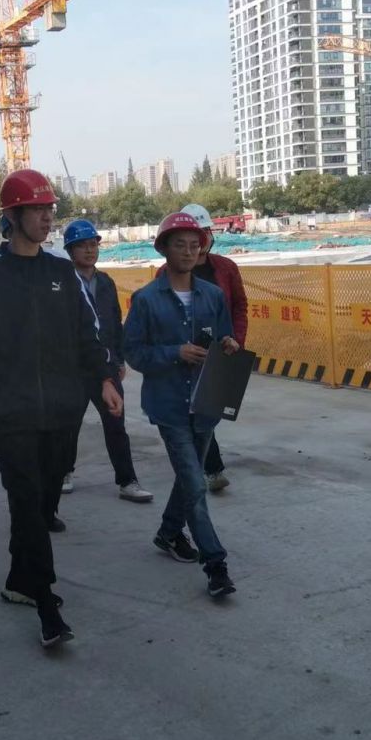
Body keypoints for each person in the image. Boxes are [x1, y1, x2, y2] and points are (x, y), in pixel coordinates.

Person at [0, 169, 121, 649]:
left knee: (43, 501)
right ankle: (46, 604)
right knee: (25, 500)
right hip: (10, 413)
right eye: (37, 210)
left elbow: (87, 334)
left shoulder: (61, 273)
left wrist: (104, 377)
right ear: (12, 215)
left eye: (49, 210)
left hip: (62, 409)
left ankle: (19, 581)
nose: (47, 218)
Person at [123, 210, 239, 599]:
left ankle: (169, 532)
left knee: (188, 479)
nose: (188, 252)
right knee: (194, 483)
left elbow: (224, 336)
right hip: (169, 406)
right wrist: (175, 353)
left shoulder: (213, 296)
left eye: (194, 245)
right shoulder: (145, 300)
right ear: (163, 249)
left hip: (206, 401)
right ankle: (216, 564)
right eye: (180, 245)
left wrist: (229, 344)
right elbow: (133, 352)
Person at [60, 218, 153, 503]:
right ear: (70, 251)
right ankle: (64, 471)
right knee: (69, 425)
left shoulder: (106, 282)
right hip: (74, 369)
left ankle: (128, 481)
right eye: (82, 246)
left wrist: (119, 359)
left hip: (107, 367)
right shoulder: (62, 284)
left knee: (116, 425)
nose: (90, 250)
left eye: (93, 245)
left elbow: (114, 320)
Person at [180, 203, 248, 493]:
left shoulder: (226, 268)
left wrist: (237, 340)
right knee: (194, 412)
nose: (202, 239)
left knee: (212, 410)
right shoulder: (168, 272)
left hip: (221, 351)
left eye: (205, 232)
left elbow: (239, 306)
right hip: (186, 356)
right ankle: (212, 469)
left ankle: (202, 462)